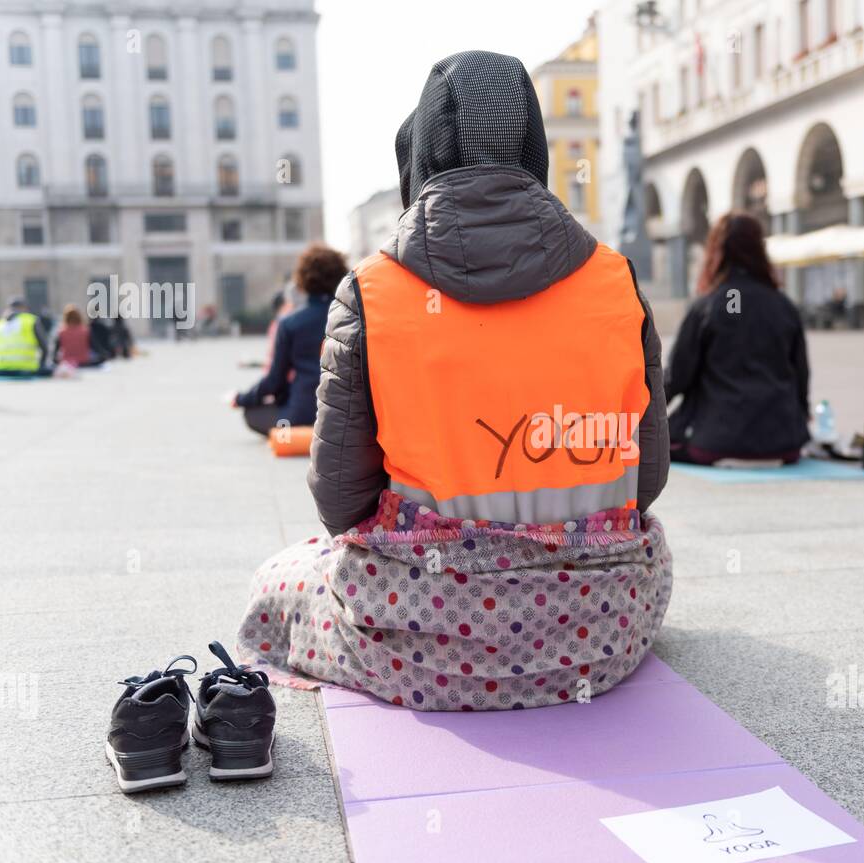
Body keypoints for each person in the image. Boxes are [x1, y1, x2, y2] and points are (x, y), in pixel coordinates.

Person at [233, 50, 671, 711]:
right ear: (535, 148)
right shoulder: (614, 278)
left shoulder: (373, 290)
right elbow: (648, 479)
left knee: (277, 579)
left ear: (424, 153)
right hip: (598, 627)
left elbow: (339, 500)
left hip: (423, 635)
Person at [664, 213, 809, 466]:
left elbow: (677, 377)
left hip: (716, 442)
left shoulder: (707, 306)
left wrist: (642, 416)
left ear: (716, 251)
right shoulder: (784, 306)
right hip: (784, 444)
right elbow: (801, 375)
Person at [232, 243, 346, 436]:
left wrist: (242, 398)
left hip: (302, 414)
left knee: (252, 414)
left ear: (302, 280)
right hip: (345, 414)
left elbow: (274, 380)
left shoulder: (290, 323)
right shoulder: (352, 318)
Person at [0, 297, 51, 377]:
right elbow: (44, 347)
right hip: (25, 368)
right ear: (24, 307)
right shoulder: (30, 320)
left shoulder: (0, 323)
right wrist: (42, 365)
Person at [54, 305, 105, 370]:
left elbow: (55, 352)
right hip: (84, 362)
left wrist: (56, 361)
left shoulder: (61, 332)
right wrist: (104, 355)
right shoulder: (86, 331)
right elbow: (96, 347)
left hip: (67, 363)